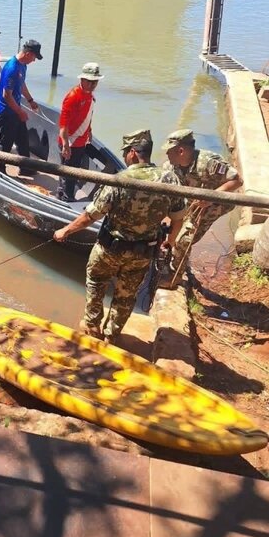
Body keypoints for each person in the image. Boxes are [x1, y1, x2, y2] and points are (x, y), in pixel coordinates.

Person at [53, 129, 186, 343]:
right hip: (143, 253)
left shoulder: (120, 180)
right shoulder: (170, 180)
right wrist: (169, 242)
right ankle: (111, 336)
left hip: (110, 250)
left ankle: (92, 328)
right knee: (127, 294)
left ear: (132, 152)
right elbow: (178, 218)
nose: (124, 156)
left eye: (125, 152)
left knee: (96, 281)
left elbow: (91, 216)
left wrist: (65, 231)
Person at [162, 129, 243, 275]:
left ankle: (176, 274)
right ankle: (177, 256)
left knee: (185, 239)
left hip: (216, 203)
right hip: (193, 201)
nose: (166, 154)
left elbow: (237, 180)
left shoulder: (208, 163)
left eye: (169, 151)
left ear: (181, 151)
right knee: (173, 228)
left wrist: (210, 197)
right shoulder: (170, 166)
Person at [57, 62, 104, 202]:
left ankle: (65, 194)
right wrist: (65, 144)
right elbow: (63, 125)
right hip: (70, 142)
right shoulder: (73, 97)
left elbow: (88, 116)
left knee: (73, 171)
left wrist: (89, 131)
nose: (92, 84)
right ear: (82, 80)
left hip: (81, 141)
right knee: (68, 173)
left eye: (95, 82)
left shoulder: (90, 96)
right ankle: (66, 198)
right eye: (89, 81)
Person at [0, 39, 43, 176]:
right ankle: (0, 169)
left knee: (22, 139)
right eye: (34, 57)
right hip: (6, 111)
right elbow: (6, 95)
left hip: (15, 109)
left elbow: (21, 84)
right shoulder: (12, 68)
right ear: (28, 54)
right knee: (6, 142)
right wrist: (20, 112)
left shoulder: (23, 66)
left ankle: (25, 167)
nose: (34, 60)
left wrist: (30, 100)